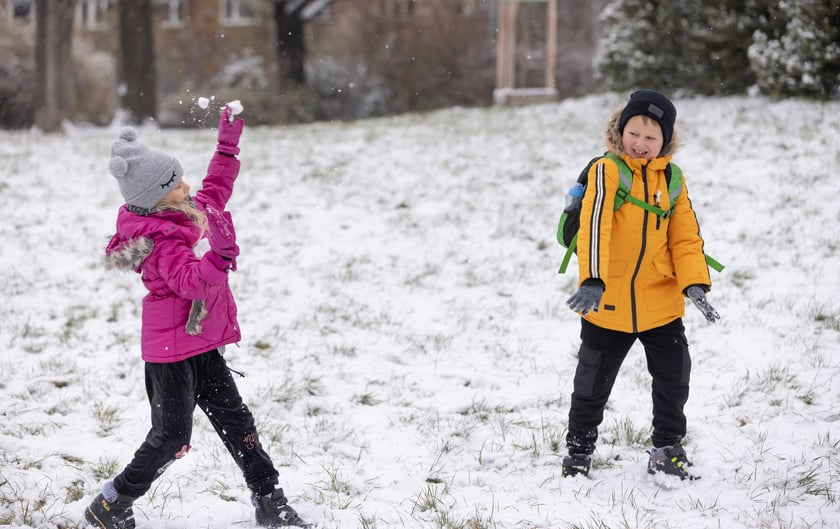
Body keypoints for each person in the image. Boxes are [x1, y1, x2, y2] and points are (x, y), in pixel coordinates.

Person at [85, 107, 310, 529]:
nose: (186, 185)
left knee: (237, 421)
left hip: (200, 341)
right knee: (172, 438)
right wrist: (221, 256)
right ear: (156, 197)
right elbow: (192, 282)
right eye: (175, 183)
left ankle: (269, 499)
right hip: (170, 353)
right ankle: (112, 502)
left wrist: (227, 148)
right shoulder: (158, 241)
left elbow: (215, 189)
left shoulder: (182, 211)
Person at [561, 89, 720, 481]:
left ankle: (667, 449)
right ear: (620, 131)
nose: (641, 143)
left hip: (661, 302)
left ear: (665, 140)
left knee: (674, 379)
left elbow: (684, 238)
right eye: (634, 133)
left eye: (652, 137)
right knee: (591, 383)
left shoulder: (673, 179)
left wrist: (695, 283)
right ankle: (579, 451)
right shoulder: (607, 171)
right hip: (607, 300)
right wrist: (593, 279)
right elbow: (593, 226)